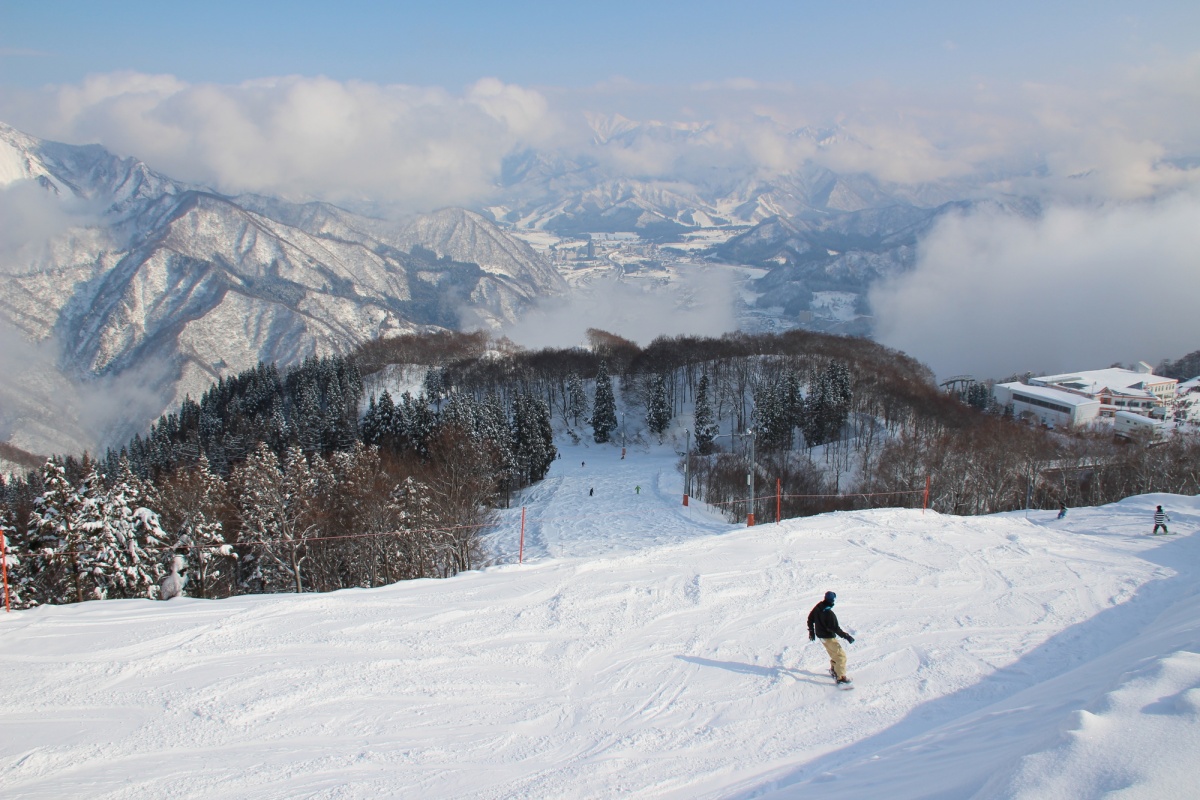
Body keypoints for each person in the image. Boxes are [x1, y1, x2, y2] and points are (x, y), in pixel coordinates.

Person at [808, 590, 855, 685]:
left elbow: (810, 618)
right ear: (833, 600)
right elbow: (836, 629)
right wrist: (847, 636)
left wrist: (811, 632)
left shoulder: (818, 607)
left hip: (821, 637)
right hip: (828, 638)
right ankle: (840, 677)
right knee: (841, 657)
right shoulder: (829, 614)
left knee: (834, 653)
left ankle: (834, 670)